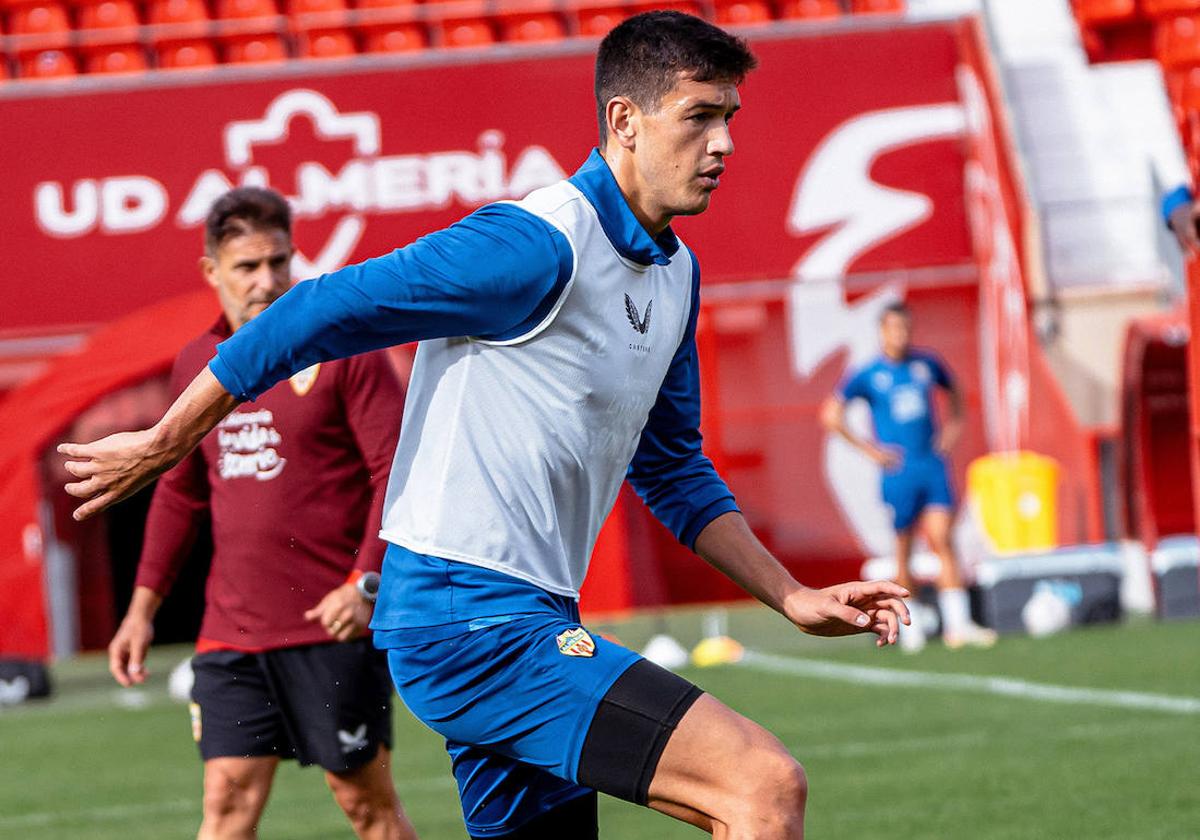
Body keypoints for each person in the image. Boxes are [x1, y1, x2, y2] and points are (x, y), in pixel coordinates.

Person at [63, 13, 910, 839]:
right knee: (761, 786)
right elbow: (318, 306)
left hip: (521, 614)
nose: (723, 143)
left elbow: (674, 468)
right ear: (624, 121)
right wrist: (169, 437)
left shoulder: (675, 276)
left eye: (729, 118)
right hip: (468, 620)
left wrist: (790, 595)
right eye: (698, 116)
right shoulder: (535, 245)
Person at [104, 187, 417, 840]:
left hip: (329, 628)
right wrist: (140, 611)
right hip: (232, 633)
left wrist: (366, 583)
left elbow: (399, 470)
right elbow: (180, 492)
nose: (267, 281)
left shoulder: (344, 351)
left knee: (366, 806)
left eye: (279, 262)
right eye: (247, 267)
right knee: (225, 805)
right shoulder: (197, 365)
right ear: (211, 272)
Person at [821, 301, 996, 652]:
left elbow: (956, 392)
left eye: (905, 328)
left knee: (943, 537)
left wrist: (952, 429)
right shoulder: (869, 374)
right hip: (899, 472)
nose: (900, 335)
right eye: (893, 328)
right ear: (882, 332)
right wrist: (871, 451)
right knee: (903, 548)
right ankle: (910, 624)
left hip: (931, 466)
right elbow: (831, 414)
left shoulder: (925, 364)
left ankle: (958, 625)